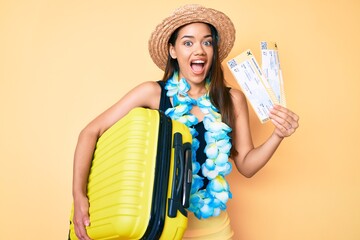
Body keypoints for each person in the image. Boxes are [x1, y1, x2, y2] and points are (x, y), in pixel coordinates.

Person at [71, 4, 299, 240]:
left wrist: (277, 135)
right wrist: (79, 195)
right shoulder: (152, 93)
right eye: (188, 43)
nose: (199, 50)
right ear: (173, 51)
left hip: (215, 231)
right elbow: (91, 131)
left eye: (207, 42)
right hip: (159, 227)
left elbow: (247, 166)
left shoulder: (232, 99)